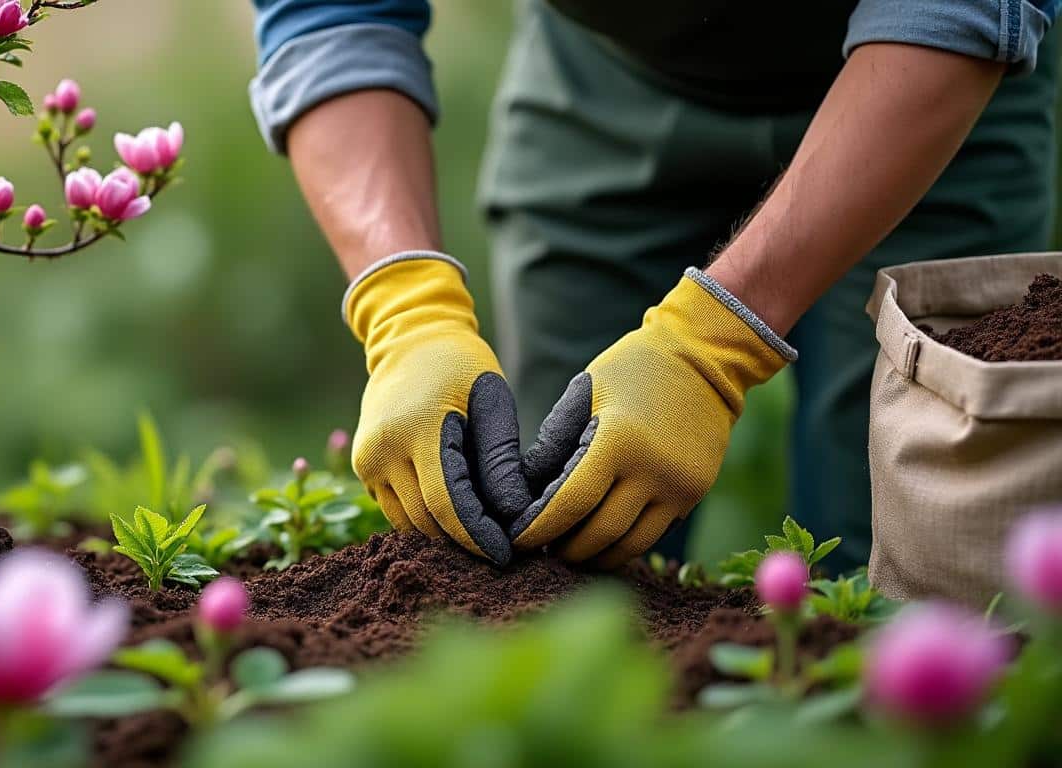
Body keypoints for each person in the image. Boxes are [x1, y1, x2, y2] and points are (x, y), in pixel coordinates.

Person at [247, 0, 1061, 573]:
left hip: (937, 94)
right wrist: (406, 310)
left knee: (897, 571)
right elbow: (334, 17)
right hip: (604, 81)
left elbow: (949, 8)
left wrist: (712, 346)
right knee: (542, 546)